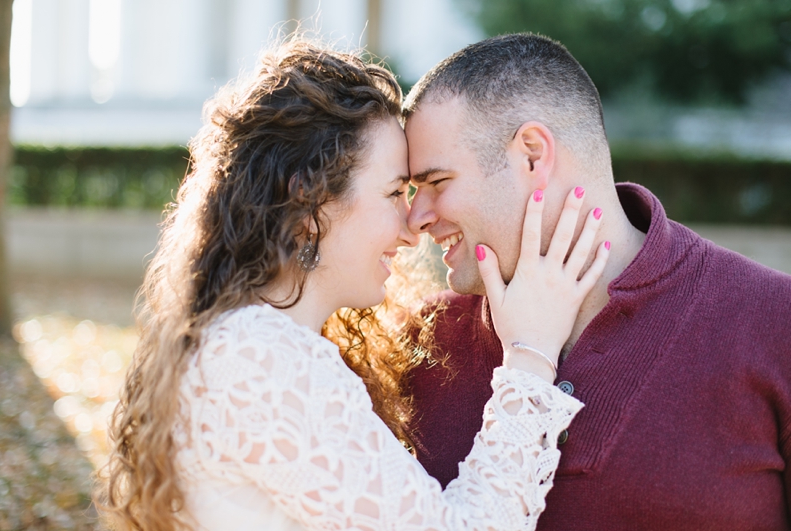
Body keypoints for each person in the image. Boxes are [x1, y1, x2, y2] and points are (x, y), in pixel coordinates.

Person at [96, 39, 611, 531]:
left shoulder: (249, 344)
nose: (413, 227)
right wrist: (530, 357)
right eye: (394, 193)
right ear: (311, 205)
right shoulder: (264, 361)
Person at [401, 32, 791, 531]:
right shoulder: (415, 344)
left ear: (532, 156)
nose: (416, 218)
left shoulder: (774, 321)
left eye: (435, 183)